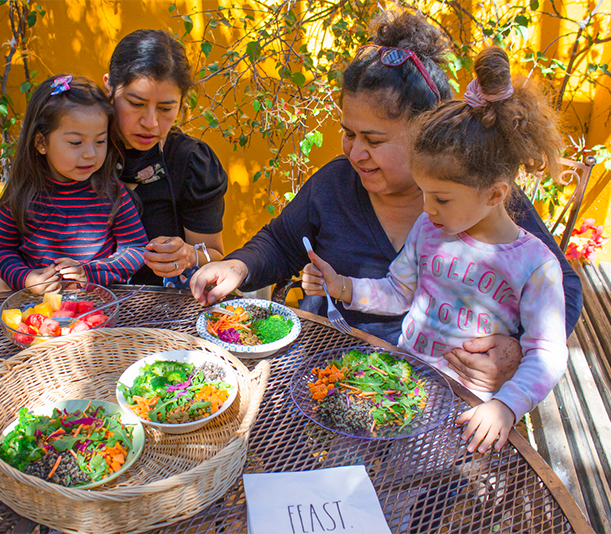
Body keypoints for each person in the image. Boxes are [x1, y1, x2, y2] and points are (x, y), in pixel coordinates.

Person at [190, 10, 583, 392]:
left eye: (374, 140)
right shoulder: (334, 186)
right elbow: (279, 243)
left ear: (425, 133)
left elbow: (561, 285)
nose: (354, 153)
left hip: (444, 395)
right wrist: (238, 267)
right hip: (337, 380)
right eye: (348, 133)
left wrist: (514, 351)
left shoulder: (480, 197)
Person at [303, 46, 568, 454]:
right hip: (399, 385)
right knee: (348, 465)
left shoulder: (535, 266)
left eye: (441, 199)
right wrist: (344, 287)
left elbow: (547, 354)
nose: (426, 209)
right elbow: (398, 291)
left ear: (495, 193)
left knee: (407, 502)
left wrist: (505, 406)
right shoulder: (430, 228)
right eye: (424, 194)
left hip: (460, 411)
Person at [0, 75, 148, 292]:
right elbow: (0, 248)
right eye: (75, 142)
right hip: (35, 313)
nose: (90, 154)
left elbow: (136, 249)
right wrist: (26, 279)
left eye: (100, 141)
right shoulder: (23, 193)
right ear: (42, 142)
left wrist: (89, 273)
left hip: (99, 310)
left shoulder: (110, 192)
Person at [103, 29, 228, 287]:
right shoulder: (80, 147)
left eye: (166, 108)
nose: (151, 123)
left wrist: (189, 254)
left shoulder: (192, 162)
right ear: (109, 87)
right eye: (136, 104)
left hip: (165, 316)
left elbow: (214, 254)